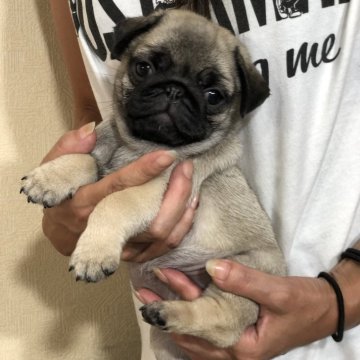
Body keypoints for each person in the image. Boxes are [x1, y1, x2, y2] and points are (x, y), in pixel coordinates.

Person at [45, 0, 360, 359]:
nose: (172, 95)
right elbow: (89, 110)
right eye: (146, 68)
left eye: (211, 96)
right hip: (173, 336)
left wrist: (337, 298)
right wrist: (66, 206)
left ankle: (219, 317)